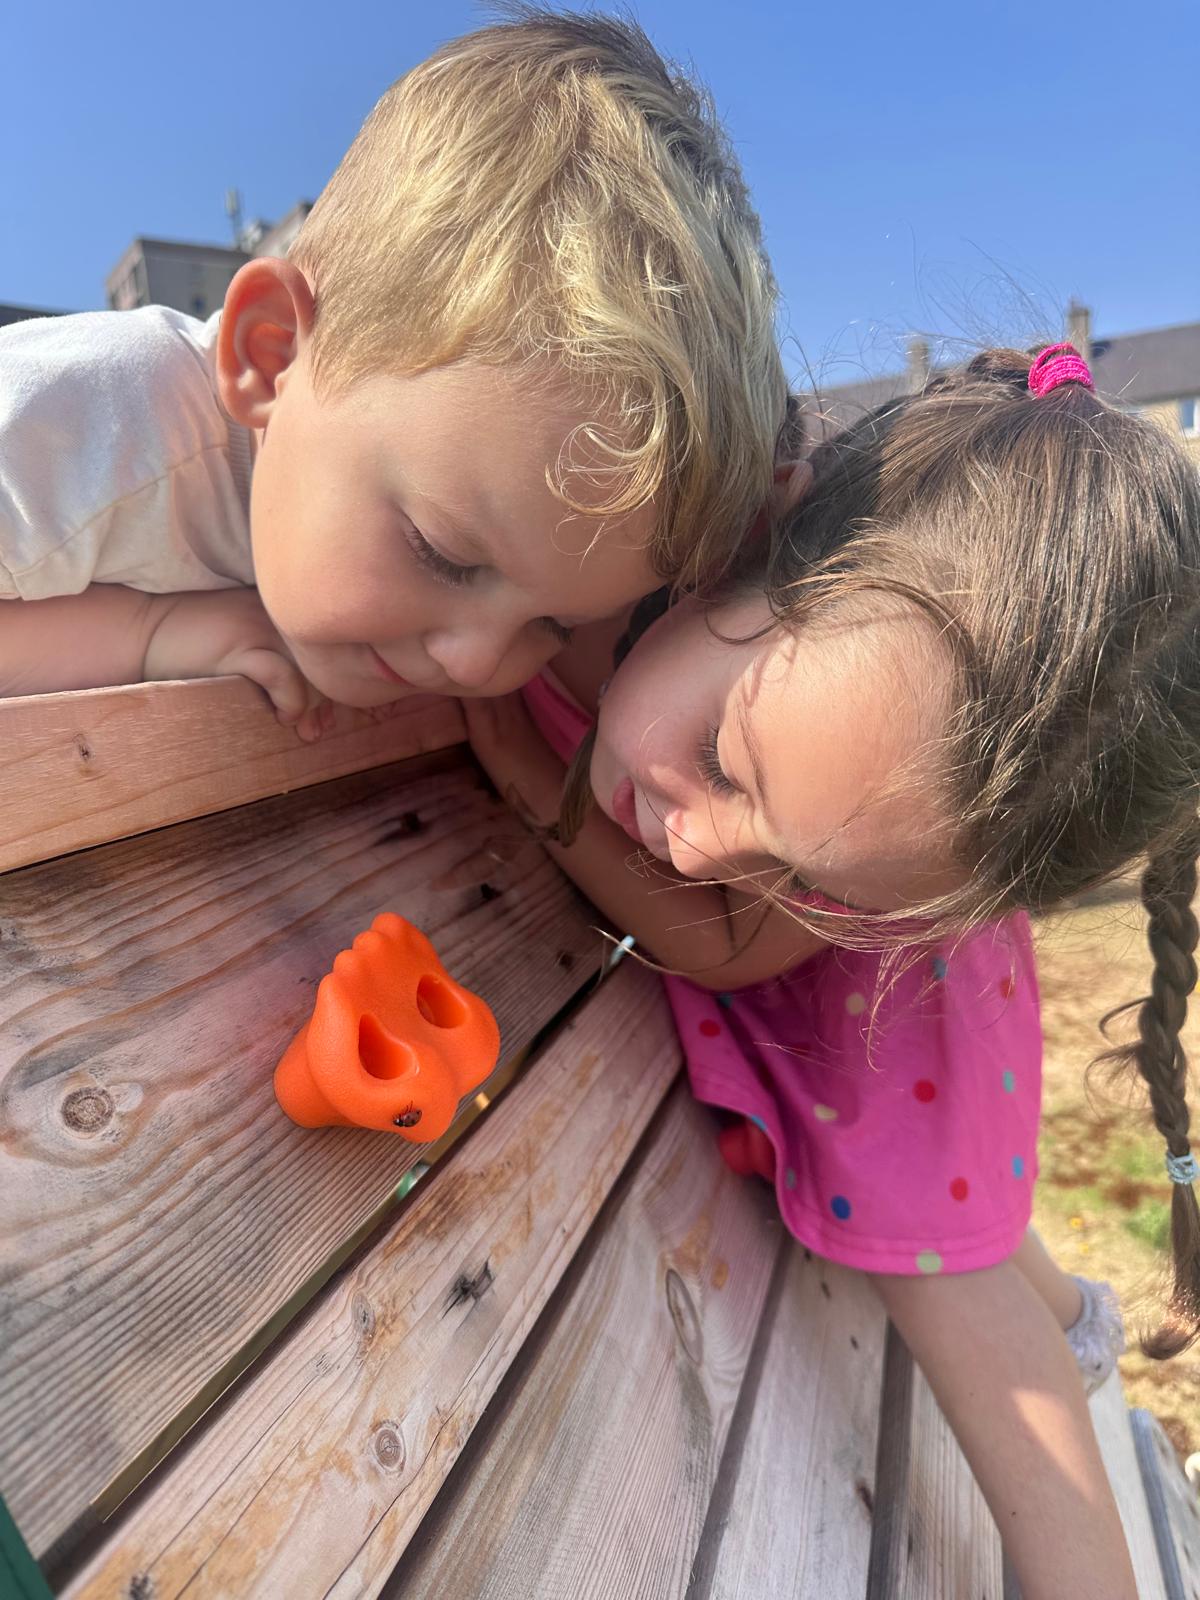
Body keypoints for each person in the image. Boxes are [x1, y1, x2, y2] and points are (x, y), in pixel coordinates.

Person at [466, 341, 1200, 1600]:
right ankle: (1075, 1317)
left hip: (892, 1069)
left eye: (816, 882)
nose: (693, 841)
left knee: (975, 1340)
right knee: (980, 1238)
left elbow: (720, 941)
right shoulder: (612, 543)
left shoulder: (784, 716)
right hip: (925, 1051)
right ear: (769, 522)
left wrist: (529, 773)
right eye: (724, 755)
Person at [0, 12, 785, 736]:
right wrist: (146, 635)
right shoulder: (78, 425)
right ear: (270, 356)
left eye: (552, 628)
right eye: (440, 552)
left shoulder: (348, 486)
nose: (477, 665)